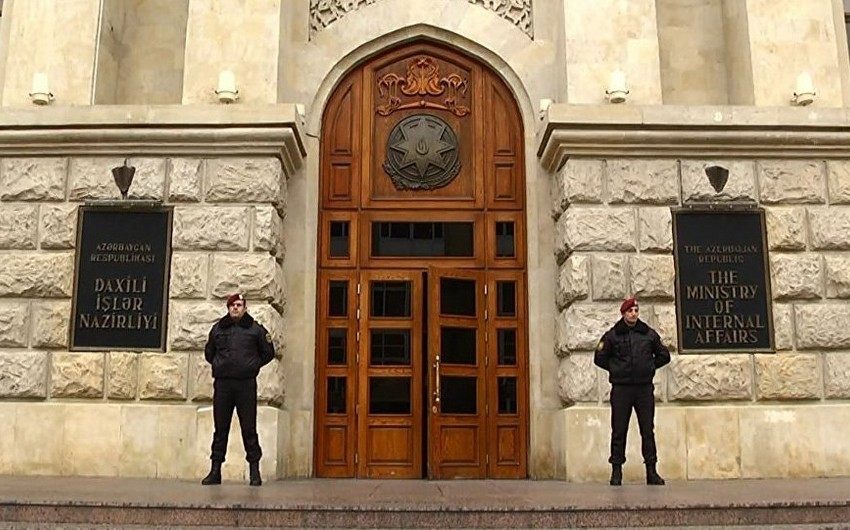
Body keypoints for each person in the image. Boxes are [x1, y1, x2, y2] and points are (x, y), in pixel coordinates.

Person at [593, 296, 671, 486]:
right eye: (630, 311)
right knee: (619, 430)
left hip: (643, 388)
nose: (633, 314)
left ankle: (651, 471)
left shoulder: (648, 334)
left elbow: (664, 355)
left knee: (647, 430)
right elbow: (599, 357)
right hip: (622, 389)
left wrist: (649, 367)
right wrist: (616, 368)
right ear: (623, 313)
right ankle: (617, 471)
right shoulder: (612, 335)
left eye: (636, 311)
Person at [201, 293, 275, 486]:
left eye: (239, 305)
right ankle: (215, 470)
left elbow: (268, 352)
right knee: (220, 428)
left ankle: (254, 471)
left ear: (245, 308)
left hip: (245, 384)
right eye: (232, 305)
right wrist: (219, 363)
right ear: (228, 308)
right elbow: (209, 352)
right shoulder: (218, 329)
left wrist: (253, 365)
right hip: (224, 384)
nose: (235, 308)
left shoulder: (255, 330)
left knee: (249, 428)